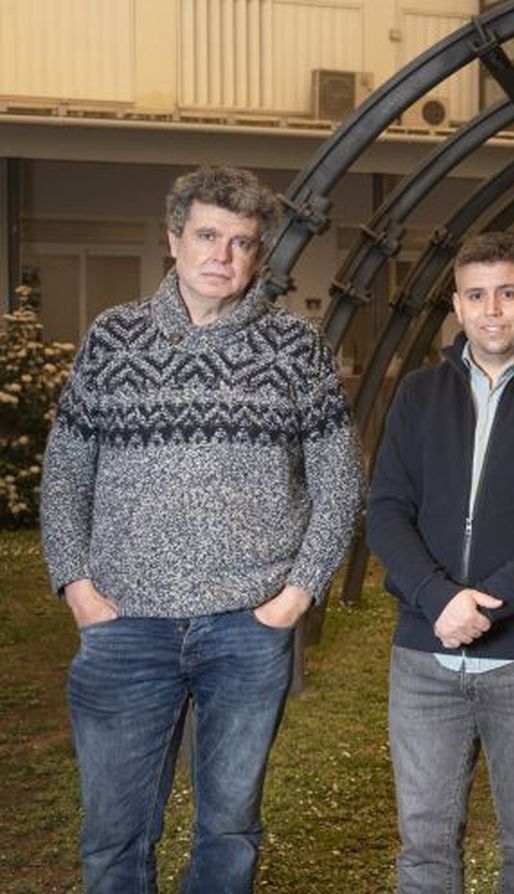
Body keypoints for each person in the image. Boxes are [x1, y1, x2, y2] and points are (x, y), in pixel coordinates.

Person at [39, 164, 364, 893]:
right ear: (173, 239)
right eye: (208, 236)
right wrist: (79, 587)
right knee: (114, 834)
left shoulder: (295, 348)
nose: (223, 256)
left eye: (242, 242)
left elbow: (340, 482)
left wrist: (296, 596)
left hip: (246, 630)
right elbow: (64, 473)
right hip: (125, 624)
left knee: (229, 830)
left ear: (260, 254)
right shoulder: (113, 338)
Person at [366, 231, 514, 893]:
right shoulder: (417, 395)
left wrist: (484, 604)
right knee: (424, 848)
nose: (492, 309)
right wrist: (439, 601)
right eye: (476, 295)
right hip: (424, 660)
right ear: (456, 304)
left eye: (507, 293)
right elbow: (387, 510)